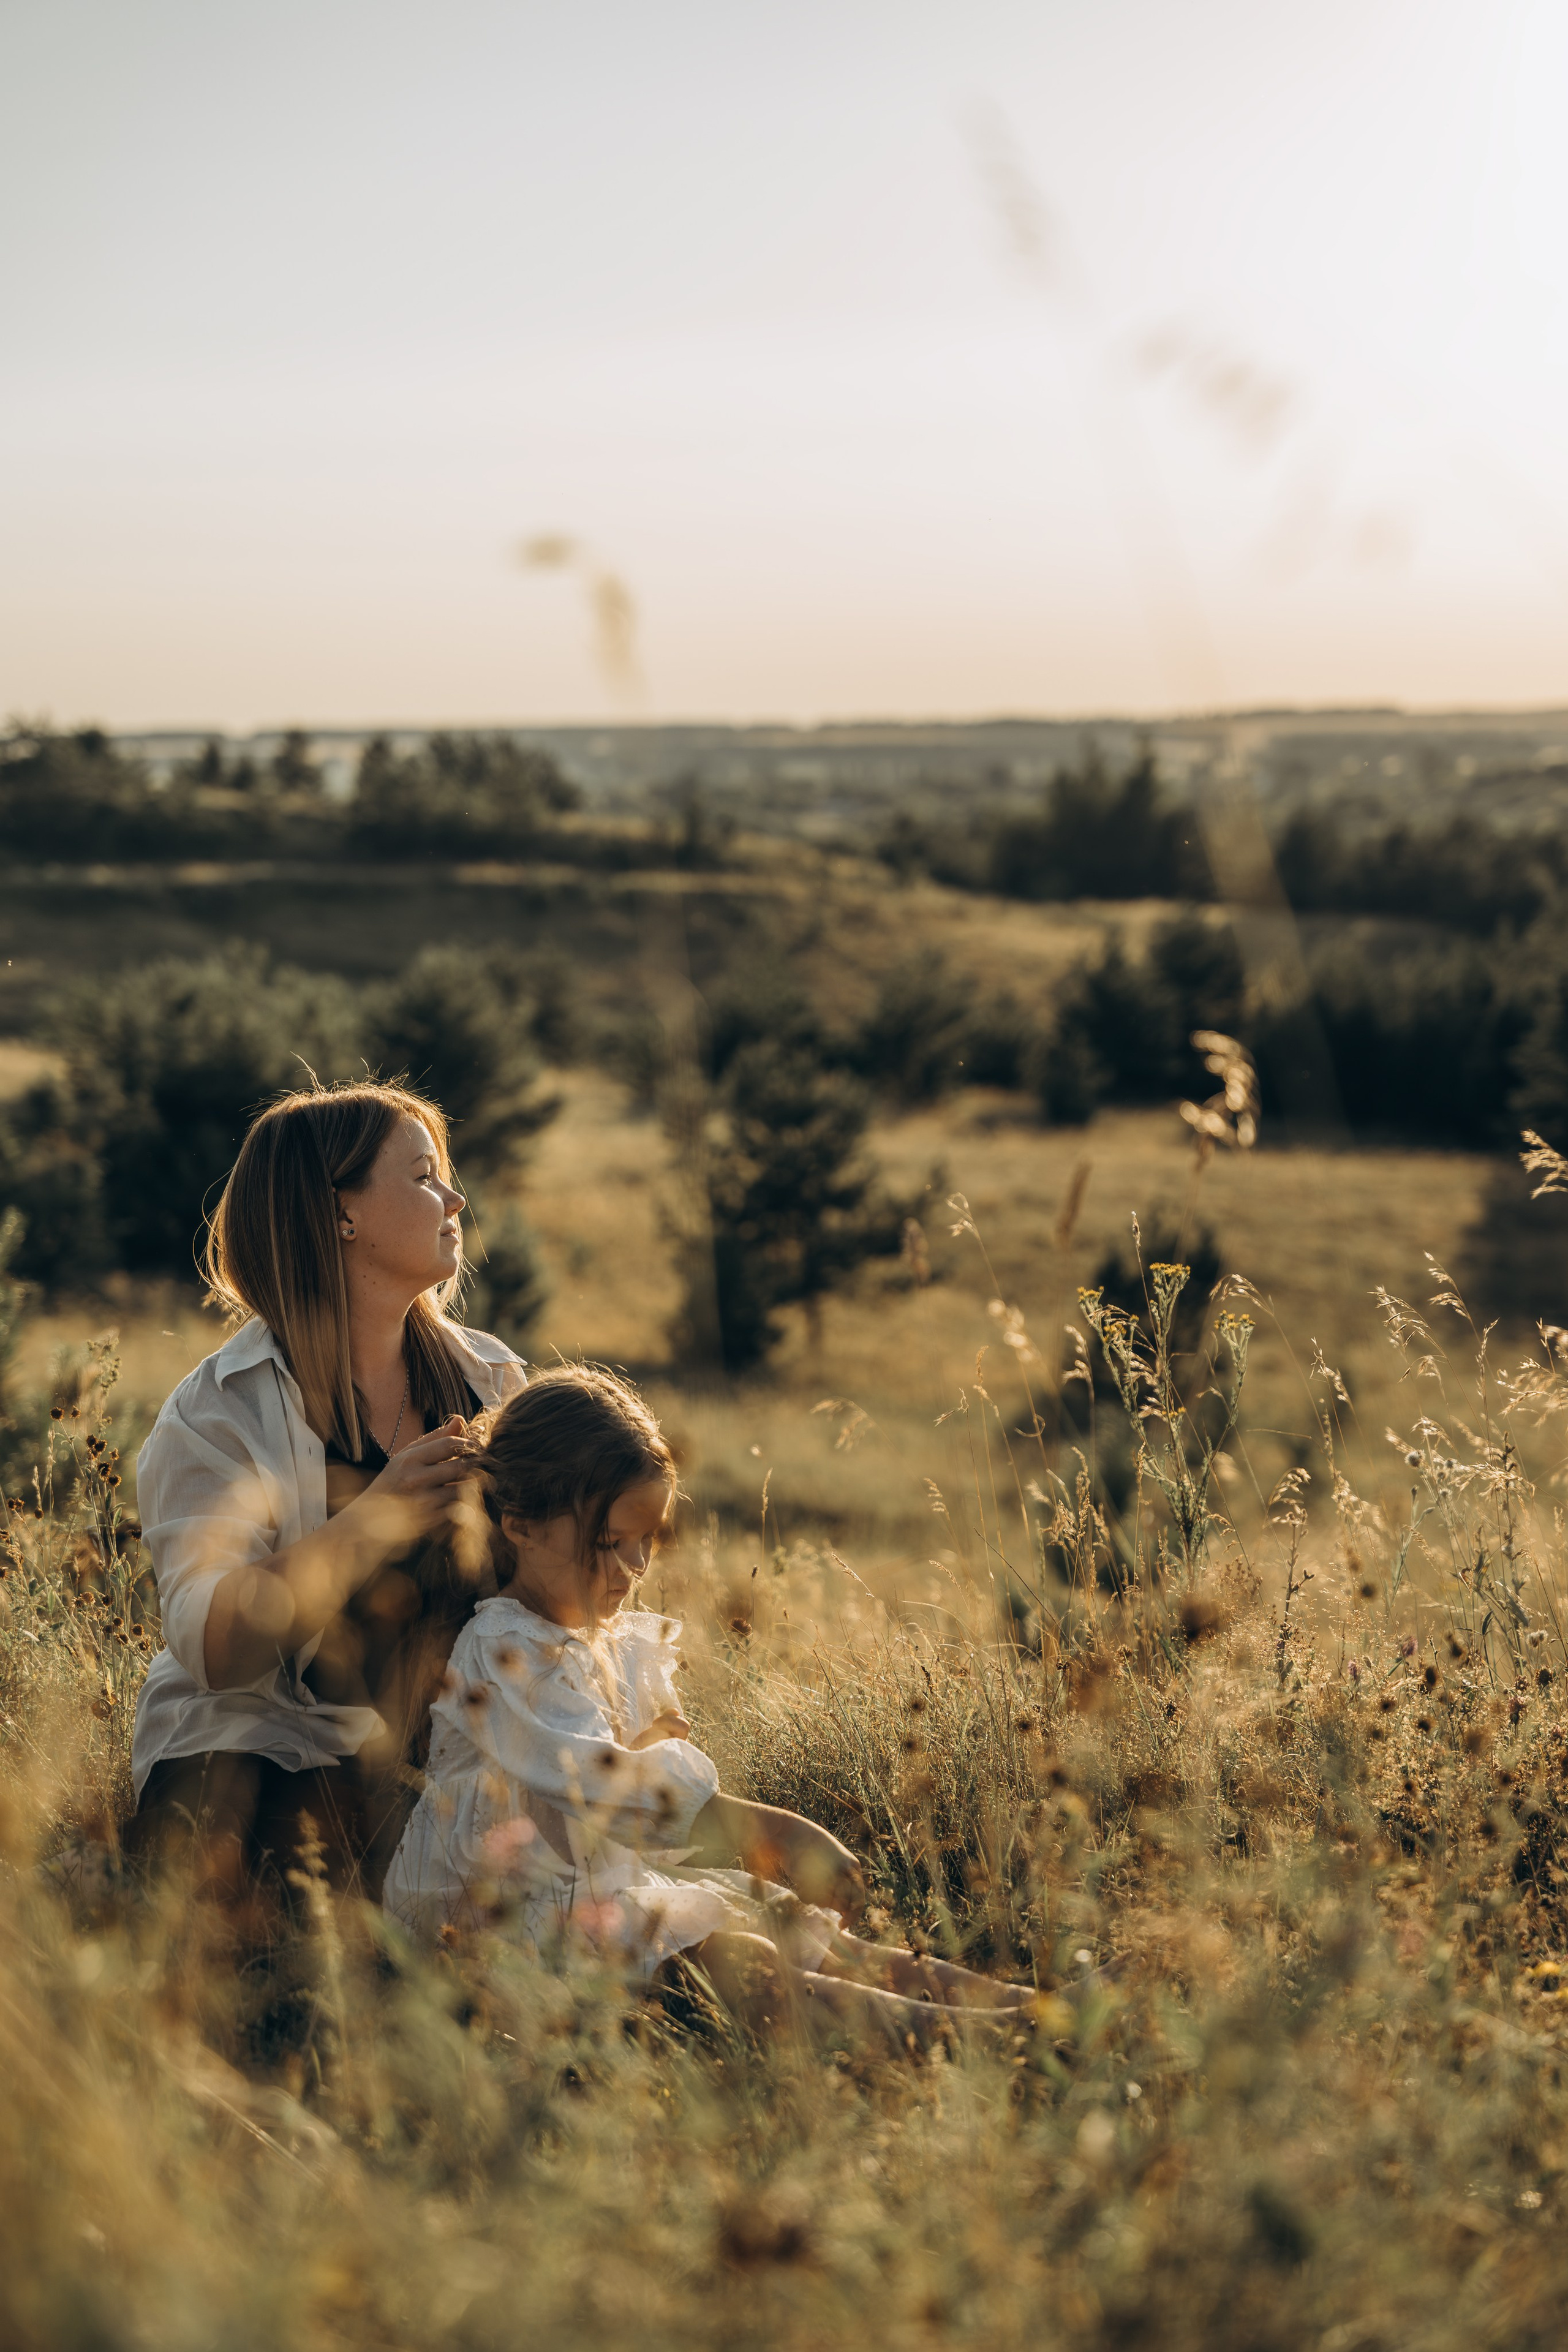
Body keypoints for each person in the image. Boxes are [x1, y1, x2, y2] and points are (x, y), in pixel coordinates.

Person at [384, 1366, 1033, 2049]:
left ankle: (1026, 2012)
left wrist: (641, 1745)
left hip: (589, 1893)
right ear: (522, 1527)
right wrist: (771, 1830)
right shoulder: (503, 1647)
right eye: (611, 1542)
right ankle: (983, 2041)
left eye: (648, 1542)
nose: (634, 1566)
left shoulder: (600, 1644)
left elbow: (596, 1785)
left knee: (790, 1932)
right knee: (739, 1963)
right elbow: (596, 1781)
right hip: (495, 1930)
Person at [128, 1079, 526, 1914]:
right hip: (261, 1770)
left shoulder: (494, 1380)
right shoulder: (216, 1413)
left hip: (447, 1768)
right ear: (340, 1212)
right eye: (423, 1178)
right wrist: (375, 1520)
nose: (455, 1198)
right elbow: (214, 1650)